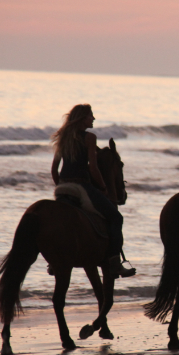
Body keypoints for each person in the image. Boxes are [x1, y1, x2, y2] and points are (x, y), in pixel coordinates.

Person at [50, 104, 136, 277]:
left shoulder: (63, 137)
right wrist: (103, 188)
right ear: (83, 119)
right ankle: (114, 263)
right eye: (91, 116)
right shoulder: (89, 138)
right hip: (82, 186)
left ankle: (53, 262)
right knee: (116, 217)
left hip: (62, 187)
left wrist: (61, 187)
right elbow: (94, 169)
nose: (93, 119)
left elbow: (54, 169)